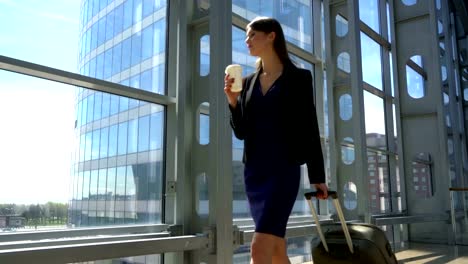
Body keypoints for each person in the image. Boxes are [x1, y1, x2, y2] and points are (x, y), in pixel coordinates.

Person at [224, 17, 329, 264]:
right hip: (255, 174)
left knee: (258, 250)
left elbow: (309, 126)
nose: (246, 40)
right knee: (276, 251)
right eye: (246, 36)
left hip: (283, 171)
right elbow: (241, 132)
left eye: (252, 35)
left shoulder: (300, 78)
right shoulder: (248, 82)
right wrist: (232, 101)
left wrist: (317, 177)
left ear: (271, 36)